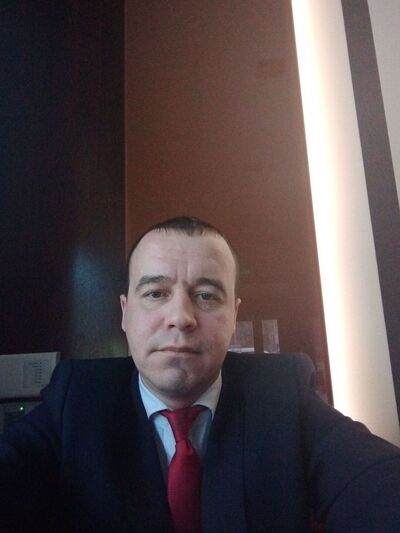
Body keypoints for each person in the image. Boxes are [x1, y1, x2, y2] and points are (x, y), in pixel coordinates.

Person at [1, 216, 400, 532]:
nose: (180, 317)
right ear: (125, 312)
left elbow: (376, 483)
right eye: (155, 293)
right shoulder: (76, 399)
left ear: (234, 315)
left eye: (206, 296)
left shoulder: (282, 394)